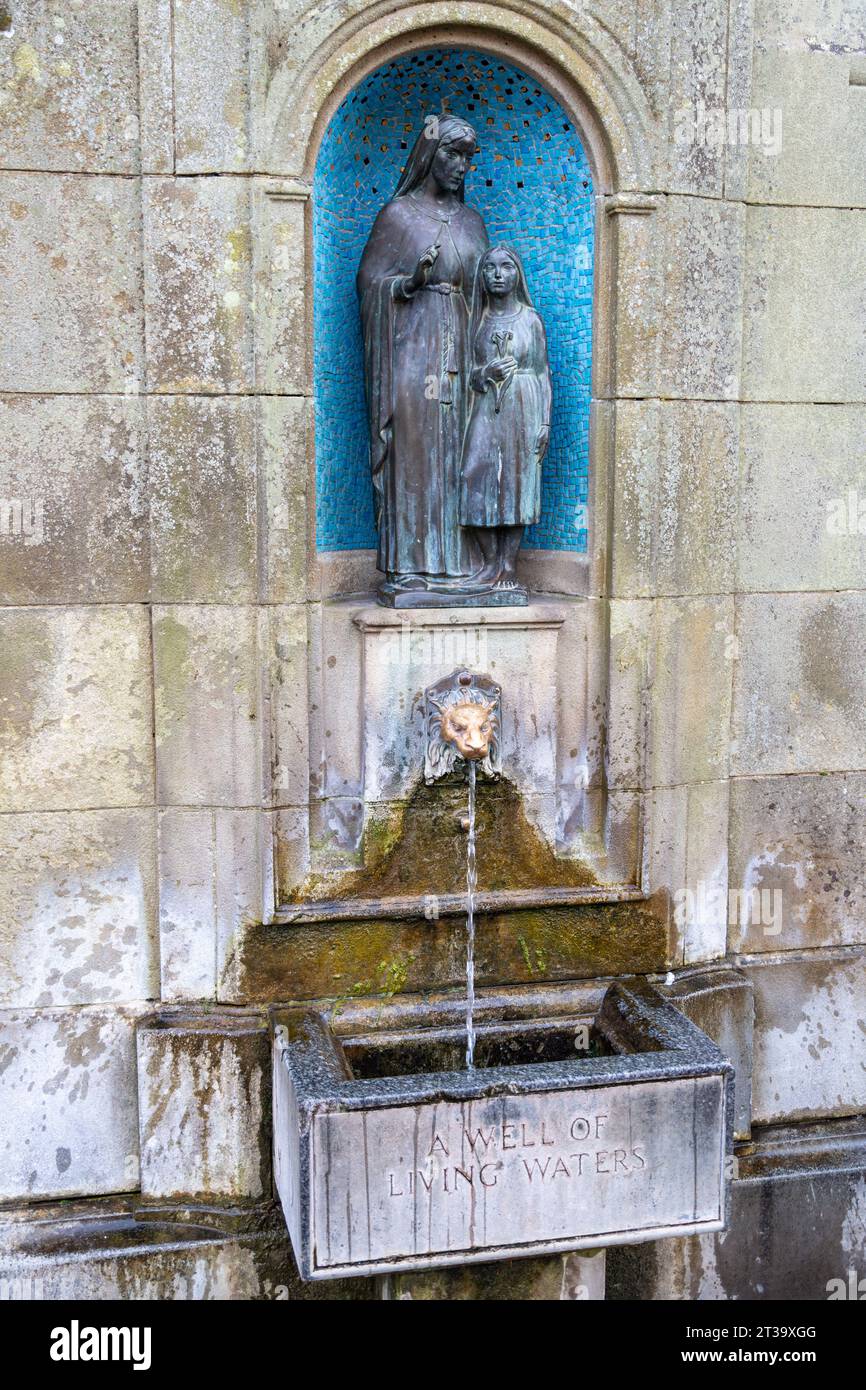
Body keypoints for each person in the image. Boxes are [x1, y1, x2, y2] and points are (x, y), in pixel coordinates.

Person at [356, 115, 489, 598]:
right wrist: (408, 283)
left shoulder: (472, 221)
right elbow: (369, 285)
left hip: (464, 350)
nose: (462, 167)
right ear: (429, 155)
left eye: (469, 158)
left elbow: (489, 288)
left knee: (463, 451)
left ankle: (463, 562)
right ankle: (408, 564)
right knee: (414, 450)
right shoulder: (398, 216)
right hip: (411, 348)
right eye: (453, 154)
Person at [459, 245, 552, 590]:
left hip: (524, 407)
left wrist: (544, 422)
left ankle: (508, 566)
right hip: (485, 407)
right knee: (475, 475)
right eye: (490, 268)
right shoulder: (476, 320)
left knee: (518, 481)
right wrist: (484, 372)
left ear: (518, 275)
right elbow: (466, 375)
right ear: (481, 276)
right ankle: (487, 564)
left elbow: (542, 373)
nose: (498, 275)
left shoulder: (530, 319)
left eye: (506, 267)